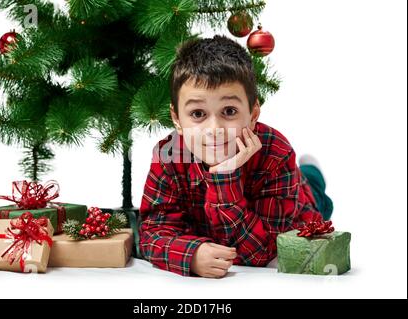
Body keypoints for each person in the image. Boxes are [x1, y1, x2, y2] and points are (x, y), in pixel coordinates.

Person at [138, 35, 333, 278]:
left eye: (229, 111)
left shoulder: (275, 152)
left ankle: (312, 174)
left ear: (252, 115)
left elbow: (264, 253)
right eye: (198, 113)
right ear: (177, 119)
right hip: (242, 220)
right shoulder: (169, 155)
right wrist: (192, 255)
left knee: (319, 196)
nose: (214, 129)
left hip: (300, 203)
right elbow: (151, 233)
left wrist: (224, 177)